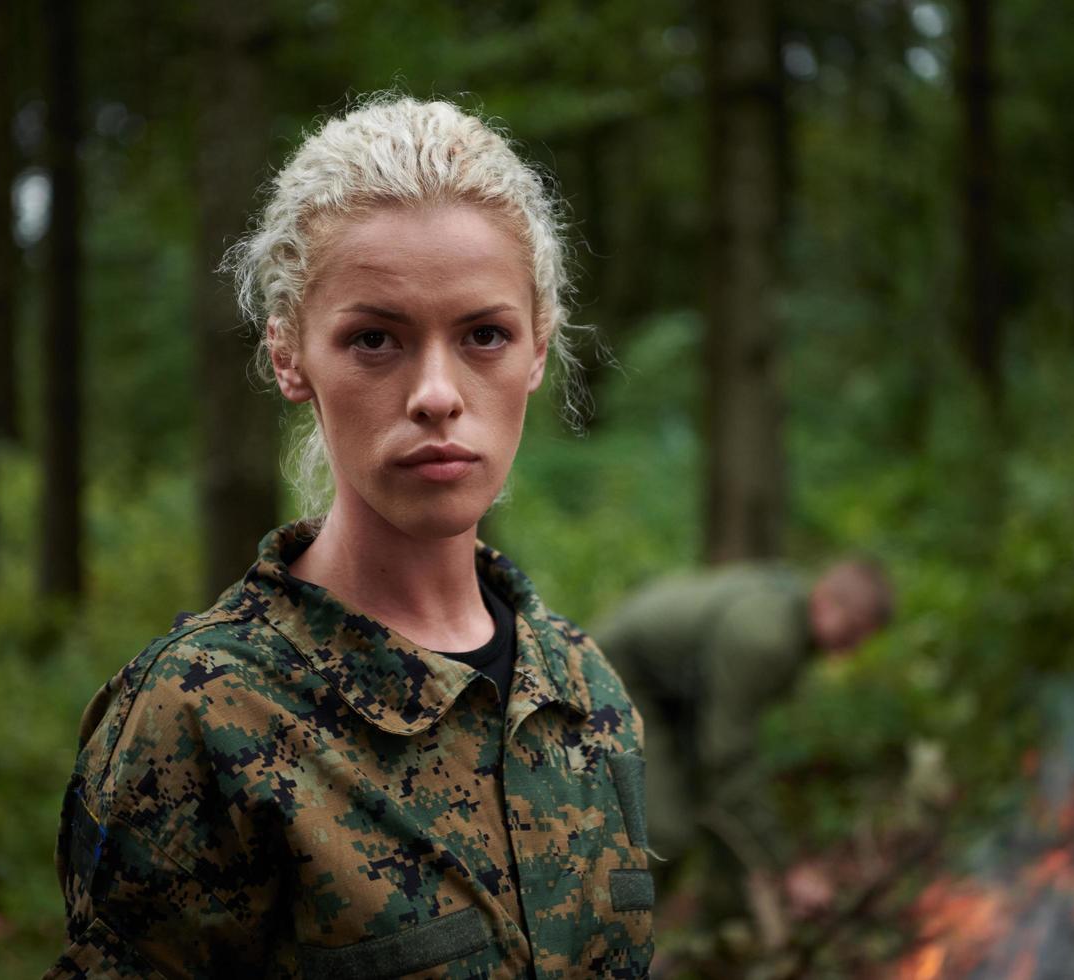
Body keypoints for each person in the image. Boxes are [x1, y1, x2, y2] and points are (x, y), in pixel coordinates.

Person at [45, 95, 654, 980]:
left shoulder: (587, 694)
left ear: (536, 350)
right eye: (375, 339)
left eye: (484, 335)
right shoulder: (205, 714)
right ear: (291, 357)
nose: (436, 393)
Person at [590, 559, 893, 933]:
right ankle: (594, 947)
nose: (855, 646)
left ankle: (676, 937)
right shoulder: (767, 638)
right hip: (610, 677)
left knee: (699, 810)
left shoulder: (788, 615)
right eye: (853, 629)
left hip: (661, 692)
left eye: (864, 636)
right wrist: (786, 867)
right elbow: (727, 757)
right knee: (665, 829)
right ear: (826, 601)